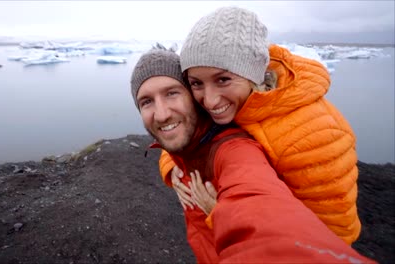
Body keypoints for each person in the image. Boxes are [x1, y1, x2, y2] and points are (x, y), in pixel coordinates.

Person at [130, 48, 374, 263]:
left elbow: (259, 207)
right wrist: (171, 165)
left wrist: (222, 214)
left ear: (194, 100)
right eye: (146, 101)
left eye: (172, 93)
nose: (161, 114)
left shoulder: (234, 148)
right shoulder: (188, 142)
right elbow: (178, 142)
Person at [159, 6, 361, 245]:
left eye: (223, 79)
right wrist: (172, 165)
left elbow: (330, 240)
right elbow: (191, 129)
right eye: (196, 83)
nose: (209, 100)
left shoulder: (316, 135)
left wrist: (226, 215)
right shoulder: (230, 103)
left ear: (253, 74)